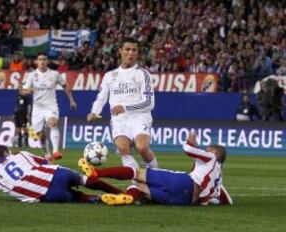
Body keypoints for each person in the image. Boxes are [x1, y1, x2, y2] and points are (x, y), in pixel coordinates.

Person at [78, 131, 233, 206]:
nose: (206, 150)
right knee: (141, 188)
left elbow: (187, 148)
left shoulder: (211, 157)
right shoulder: (218, 177)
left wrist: (191, 141)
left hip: (185, 183)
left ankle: (96, 172)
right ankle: (128, 198)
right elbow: (228, 200)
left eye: (208, 148)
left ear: (215, 152)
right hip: (185, 201)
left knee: (137, 174)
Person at [87, 37, 157, 170]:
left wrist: (125, 107)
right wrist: (95, 112)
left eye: (134, 50)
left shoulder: (143, 74)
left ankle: (157, 175)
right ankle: (138, 182)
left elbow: (150, 103)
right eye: (127, 49)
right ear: (120, 51)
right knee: (123, 148)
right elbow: (101, 97)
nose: (130, 53)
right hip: (119, 119)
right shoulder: (110, 76)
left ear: (137, 53)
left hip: (139, 116)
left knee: (142, 147)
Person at [0, 145, 123, 203]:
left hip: (47, 194)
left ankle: (99, 199)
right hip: (56, 173)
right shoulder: (19, 154)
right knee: (85, 180)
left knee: (77, 197)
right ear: (6, 152)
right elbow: (45, 162)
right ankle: (120, 192)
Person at [21, 53, 77, 160]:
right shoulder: (32, 75)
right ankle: (47, 154)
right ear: (36, 62)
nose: (42, 62)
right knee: (41, 136)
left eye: (44, 59)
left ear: (47, 62)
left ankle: (56, 151)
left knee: (53, 123)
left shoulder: (55, 74)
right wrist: (28, 91)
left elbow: (65, 86)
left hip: (51, 106)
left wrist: (72, 101)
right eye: (40, 59)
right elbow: (24, 90)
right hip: (38, 108)